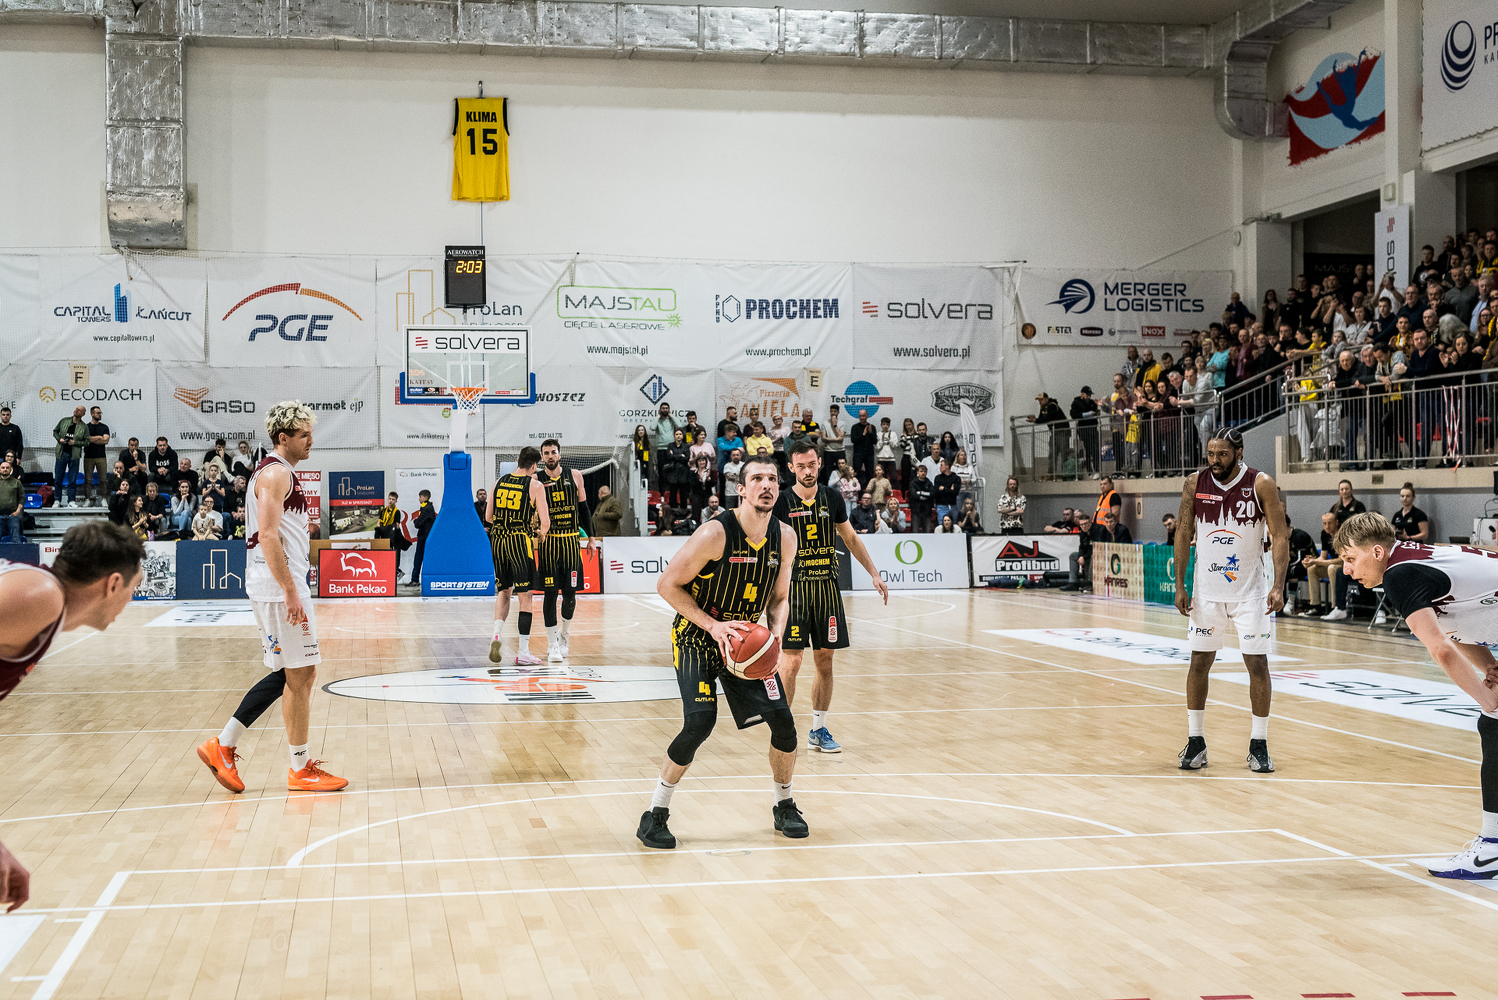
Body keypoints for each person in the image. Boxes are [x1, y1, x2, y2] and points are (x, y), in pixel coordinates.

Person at [635, 455, 803, 849]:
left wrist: (776, 636)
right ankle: (654, 814)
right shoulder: (714, 533)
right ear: (740, 489)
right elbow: (667, 585)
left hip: (745, 645)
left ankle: (784, 805)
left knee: (784, 724)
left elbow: (779, 598)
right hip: (697, 635)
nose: (766, 485)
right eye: (757, 478)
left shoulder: (785, 538)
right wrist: (713, 626)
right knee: (699, 723)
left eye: (772, 479)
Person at [195, 401, 348, 795]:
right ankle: (293, 767)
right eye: (304, 434)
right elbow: (266, 534)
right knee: (302, 674)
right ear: (283, 437)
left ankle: (227, 746)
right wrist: (290, 591)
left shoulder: (276, 471)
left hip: (274, 586)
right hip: (280, 589)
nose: (311, 440)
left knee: (294, 674)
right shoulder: (277, 473)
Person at [1336, 512, 1498, 879]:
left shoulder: (1399, 575)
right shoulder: (1414, 558)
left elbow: (1441, 650)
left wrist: (1488, 700)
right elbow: (1456, 627)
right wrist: (1489, 668)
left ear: (1377, 552)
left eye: (1350, 558)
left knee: (1493, 722)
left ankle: (1492, 848)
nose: (1346, 570)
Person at [0, 520, 144, 910]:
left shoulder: (43, 603)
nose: (130, 601)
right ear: (113, 584)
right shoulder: (40, 596)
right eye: (133, 589)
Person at [1173, 426, 1289, 774]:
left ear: (1239, 453)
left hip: (1250, 593)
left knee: (1257, 665)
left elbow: (1280, 535)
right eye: (1210, 453)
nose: (1215, 460)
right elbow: (1183, 531)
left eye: (1222, 454)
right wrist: (1179, 584)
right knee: (1199, 662)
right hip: (1206, 592)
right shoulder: (1195, 482)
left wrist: (1278, 585)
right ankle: (1196, 741)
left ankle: (1259, 744)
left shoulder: (1261, 483)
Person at [773, 440, 888, 753]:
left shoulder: (832, 497)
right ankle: (783, 731)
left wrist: (874, 573)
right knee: (791, 662)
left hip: (827, 590)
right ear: (791, 468)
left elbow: (850, 537)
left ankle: (818, 729)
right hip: (795, 591)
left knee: (824, 662)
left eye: (812, 464)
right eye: (801, 466)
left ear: (819, 463)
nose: (807, 471)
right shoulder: (782, 502)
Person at [486, 447, 551, 667]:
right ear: (534, 466)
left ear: (517, 460)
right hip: (519, 542)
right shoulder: (535, 485)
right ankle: (523, 651)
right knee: (526, 596)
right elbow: (545, 523)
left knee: (504, 591)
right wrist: (540, 533)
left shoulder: (499, 481)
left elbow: (488, 517)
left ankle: (496, 634)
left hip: (498, 541)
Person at [536, 439, 593, 663]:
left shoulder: (575, 476)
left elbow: (584, 509)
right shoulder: (536, 480)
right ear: (542, 457)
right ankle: (552, 644)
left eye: (553, 452)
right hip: (549, 544)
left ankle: (564, 635)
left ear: (560, 454)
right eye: (546, 453)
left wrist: (590, 537)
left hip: (570, 543)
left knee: (570, 595)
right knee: (550, 594)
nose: (550, 456)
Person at [1300, 511, 1352, 620]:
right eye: (1324, 523)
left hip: (1346, 567)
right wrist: (1312, 561)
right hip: (1333, 565)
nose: (1327, 526)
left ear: (1336, 522)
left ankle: (1335, 607)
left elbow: (1341, 561)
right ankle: (1315, 606)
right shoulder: (1324, 534)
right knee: (1312, 568)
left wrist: (1317, 562)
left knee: (1332, 568)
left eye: (1330, 523)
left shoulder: (1343, 535)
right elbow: (1323, 556)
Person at [52, 405, 86, 507]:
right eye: (76, 409)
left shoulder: (84, 426)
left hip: (74, 455)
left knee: (72, 479)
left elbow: (87, 442)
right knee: (58, 478)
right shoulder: (64, 421)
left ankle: (71, 501)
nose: (76, 410)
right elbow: (55, 431)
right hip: (61, 453)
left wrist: (75, 443)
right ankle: (57, 500)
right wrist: (59, 439)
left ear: (83, 414)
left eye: (79, 410)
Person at [82, 405, 111, 506]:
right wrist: (98, 438)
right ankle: (87, 499)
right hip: (88, 457)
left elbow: (105, 440)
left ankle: (104, 498)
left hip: (101, 457)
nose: (100, 415)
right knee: (88, 480)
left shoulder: (104, 427)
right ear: (92, 414)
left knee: (103, 479)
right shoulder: (86, 427)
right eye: (98, 413)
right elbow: (85, 440)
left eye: (100, 413)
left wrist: (92, 439)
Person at [409, 489, 437, 586]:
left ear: (425, 498)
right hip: (426, 536)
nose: (419, 499)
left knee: (419, 558)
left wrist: (415, 521)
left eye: (420, 497)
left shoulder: (426, 508)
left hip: (424, 536)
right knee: (422, 558)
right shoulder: (427, 507)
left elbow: (417, 524)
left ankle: (415, 579)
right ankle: (417, 579)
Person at [1071, 386, 1100, 477]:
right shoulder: (1076, 403)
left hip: (1093, 428)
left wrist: (1097, 408)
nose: (1089, 397)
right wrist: (1086, 414)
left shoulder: (1092, 402)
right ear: (1082, 394)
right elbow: (1073, 415)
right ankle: (1090, 471)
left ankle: (1097, 470)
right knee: (1088, 450)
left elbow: (1095, 411)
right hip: (1084, 430)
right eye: (1087, 395)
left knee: (1096, 450)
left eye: (1090, 395)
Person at [849, 408, 877, 484]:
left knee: (870, 473)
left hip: (869, 454)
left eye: (863, 416)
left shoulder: (872, 427)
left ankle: (869, 490)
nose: (861, 418)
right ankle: (857, 489)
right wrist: (863, 435)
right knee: (856, 473)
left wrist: (871, 433)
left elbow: (875, 441)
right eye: (860, 416)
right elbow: (853, 440)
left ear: (867, 416)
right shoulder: (855, 427)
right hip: (858, 454)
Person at [820, 405, 846, 485]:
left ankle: (842, 487)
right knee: (828, 471)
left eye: (835, 411)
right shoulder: (825, 423)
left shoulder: (842, 423)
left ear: (838, 412)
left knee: (841, 470)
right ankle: (828, 488)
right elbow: (823, 438)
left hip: (840, 450)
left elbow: (841, 438)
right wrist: (836, 439)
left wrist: (835, 425)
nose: (833, 413)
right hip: (829, 451)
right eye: (831, 411)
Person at [907, 464, 934, 533]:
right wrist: (926, 495)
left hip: (927, 511)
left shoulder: (929, 483)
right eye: (921, 471)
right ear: (917, 472)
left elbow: (932, 494)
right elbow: (914, 495)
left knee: (927, 532)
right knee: (915, 531)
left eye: (925, 471)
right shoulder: (913, 483)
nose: (923, 473)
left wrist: (921, 493)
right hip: (916, 510)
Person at [933, 459, 960, 526]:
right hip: (942, 505)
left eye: (941, 465)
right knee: (942, 525)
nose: (940, 467)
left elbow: (955, 493)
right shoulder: (938, 478)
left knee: (954, 525)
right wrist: (950, 490)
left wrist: (944, 489)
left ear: (947, 466)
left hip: (953, 505)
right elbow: (936, 492)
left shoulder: (956, 478)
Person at [0, 461, 22, 544]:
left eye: (7, 468)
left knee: (16, 540)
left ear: (11, 469)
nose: (5, 469)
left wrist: (18, 511)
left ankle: (18, 553)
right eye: (3, 468)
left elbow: (22, 498)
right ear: (0, 470)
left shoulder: (17, 482)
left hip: (12, 516)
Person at [874, 415, 898, 484]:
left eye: (887, 424)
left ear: (889, 425)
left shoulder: (893, 434)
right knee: (882, 477)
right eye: (884, 424)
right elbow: (876, 447)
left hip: (891, 458)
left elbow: (895, 446)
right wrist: (881, 441)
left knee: (893, 477)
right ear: (881, 425)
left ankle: (893, 489)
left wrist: (890, 440)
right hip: (881, 459)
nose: (885, 426)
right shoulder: (878, 434)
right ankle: (883, 489)